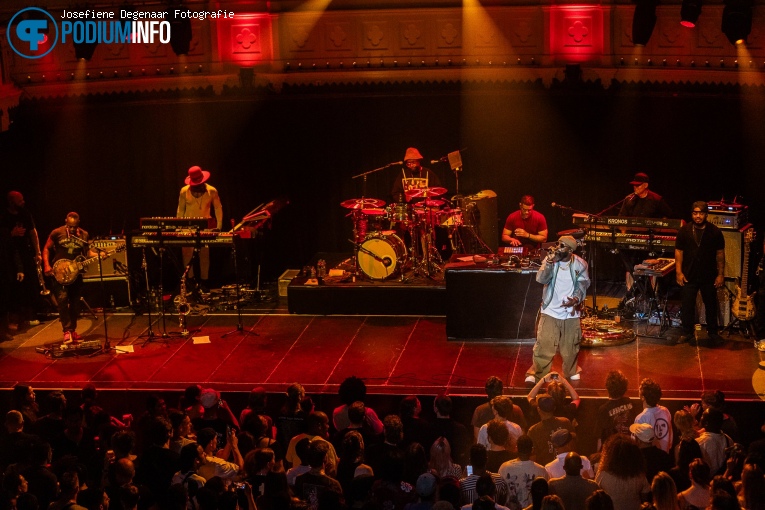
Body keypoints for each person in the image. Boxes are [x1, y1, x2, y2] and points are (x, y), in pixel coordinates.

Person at [525, 235, 590, 383]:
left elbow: (582, 285)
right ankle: (538, 373)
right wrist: (548, 262)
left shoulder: (580, 264)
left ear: (570, 250)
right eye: (557, 244)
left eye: (561, 246)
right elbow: (541, 279)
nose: (557, 248)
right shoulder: (551, 261)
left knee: (570, 346)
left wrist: (575, 299)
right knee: (544, 345)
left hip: (570, 312)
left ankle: (571, 371)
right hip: (550, 310)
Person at [42, 212, 103, 344]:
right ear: (66, 222)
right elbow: (46, 248)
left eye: (75, 227)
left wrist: (100, 255)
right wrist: (46, 265)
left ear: (78, 223)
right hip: (60, 272)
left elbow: (88, 253)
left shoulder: (84, 235)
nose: (72, 229)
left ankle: (73, 330)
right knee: (63, 299)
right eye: (70, 226)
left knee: (75, 303)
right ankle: (67, 331)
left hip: (76, 274)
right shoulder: (57, 232)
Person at [675, 201, 726, 345]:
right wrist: (678, 272)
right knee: (687, 304)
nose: (698, 216)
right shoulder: (684, 231)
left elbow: (720, 254)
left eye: (701, 213)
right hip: (688, 274)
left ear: (706, 215)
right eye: (695, 213)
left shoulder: (715, 232)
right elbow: (679, 252)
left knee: (710, 304)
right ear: (692, 214)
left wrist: (720, 274)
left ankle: (713, 332)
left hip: (708, 275)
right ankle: (687, 332)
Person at [0, 191, 43, 331]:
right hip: (9, 255)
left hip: (25, 252)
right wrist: (12, 233)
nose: (23, 203)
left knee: (29, 283)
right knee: (13, 285)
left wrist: (38, 252)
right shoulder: (4, 216)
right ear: (12, 202)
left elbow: (32, 231)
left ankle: (27, 316)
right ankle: (13, 319)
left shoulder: (25, 213)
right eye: (20, 201)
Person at [177, 166, 223, 289]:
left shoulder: (212, 191)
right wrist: (178, 226)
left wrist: (218, 226)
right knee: (187, 254)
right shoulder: (184, 191)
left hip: (205, 228)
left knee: (204, 254)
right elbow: (180, 209)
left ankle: (204, 282)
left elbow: (218, 208)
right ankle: (190, 280)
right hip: (187, 228)